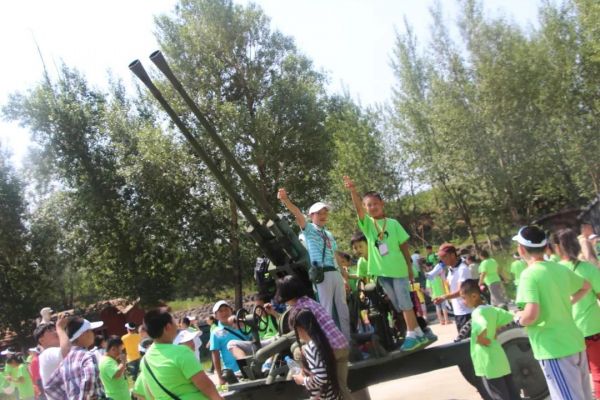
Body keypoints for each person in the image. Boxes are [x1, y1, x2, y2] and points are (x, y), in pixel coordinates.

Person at [344, 176, 431, 351]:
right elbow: (358, 210)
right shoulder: (368, 225)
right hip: (382, 273)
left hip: (398, 269)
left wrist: (409, 267)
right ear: (365, 208)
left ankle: (411, 335)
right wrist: (353, 191)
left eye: (375, 204)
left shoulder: (393, 223)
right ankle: (419, 333)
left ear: (382, 204)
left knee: (404, 302)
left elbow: (404, 246)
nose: (372, 207)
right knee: (399, 305)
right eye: (368, 205)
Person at [513, 225, 593, 400]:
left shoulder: (529, 275)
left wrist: (518, 319)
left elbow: (531, 315)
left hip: (554, 348)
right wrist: (567, 302)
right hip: (574, 342)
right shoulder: (559, 268)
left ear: (521, 249)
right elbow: (586, 286)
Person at [277, 188, 351, 339]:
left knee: (343, 309)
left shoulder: (328, 234)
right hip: (322, 274)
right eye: (319, 213)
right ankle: (331, 343)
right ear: (311, 216)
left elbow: (335, 254)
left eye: (325, 213)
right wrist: (286, 200)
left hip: (335, 272)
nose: (323, 216)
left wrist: (344, 276)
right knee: (326, 310)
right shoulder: (309, 229)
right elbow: (297, 214)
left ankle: (348, 341)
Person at [276, 275, 353, 399]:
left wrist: (304, 378)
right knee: (341, 387)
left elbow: (308, 336)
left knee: (298, 352)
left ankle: (313, 387)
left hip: (331, 349)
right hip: (341, 345)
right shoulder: (310, 301)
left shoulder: (299, 311)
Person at [550, 228, 600, 397]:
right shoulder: (589, 269)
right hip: (592, 327)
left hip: (567, 331)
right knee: (597, 372)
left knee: (576, 376)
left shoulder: (554, 271)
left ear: (558, 247)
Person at [140, 308, 223, 400]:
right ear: (168, 327)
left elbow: (149, 392)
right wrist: (217, 398)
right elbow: (203, 383)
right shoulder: (181, 351)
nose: (177, 326)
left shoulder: (144, 361)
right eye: (174, 322)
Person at [460, 279, 519, 400]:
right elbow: (508, 317)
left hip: (488, 361)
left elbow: (482, 324)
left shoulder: (477, 313)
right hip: (499, 357)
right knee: (511, 391)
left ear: (474, 296)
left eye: (464, 298)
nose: (463, 302)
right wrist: (494, 329)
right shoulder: (491, 309)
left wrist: (481, 338)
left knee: (499, 395)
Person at [44, 316, 105, 400]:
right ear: (83, 334)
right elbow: (90, 378)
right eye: (91, 331)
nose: (93, 334)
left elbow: (49, 387)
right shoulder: (88, 356)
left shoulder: (65, 361)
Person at [290, 309, 342, 400]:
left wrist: (303, 380)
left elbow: (322, 377)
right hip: (333, 394)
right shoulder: (322, 340)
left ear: (300, 329)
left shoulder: (311, 348)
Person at [209, 300, 250, 385]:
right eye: (220, 311)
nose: (224, 313)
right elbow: (215, 355)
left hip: (252, 368)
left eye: (226, 309)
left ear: (231, 310)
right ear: (215, 316)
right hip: (234, 374)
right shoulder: (215, 333)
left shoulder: (243, 324)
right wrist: (220, 377)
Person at [34, 320, 70, 393]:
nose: (55, 332)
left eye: (55, 329)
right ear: (42, 340)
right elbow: (69, 353)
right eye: (50, 330)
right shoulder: (47, 353)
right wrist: (60, 328)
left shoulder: (47, 354)